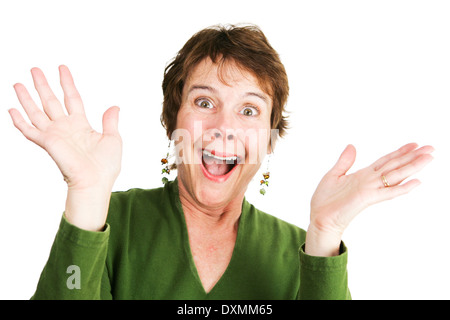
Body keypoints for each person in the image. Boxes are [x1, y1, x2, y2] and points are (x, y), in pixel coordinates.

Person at [8, 24, 434, 300]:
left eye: (249, 110)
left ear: (269, 140)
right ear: (173, 121)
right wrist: (85, 195)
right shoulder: (108, 219)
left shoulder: (299, 250)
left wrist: (325, 234)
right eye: (204, 101)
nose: (224, 126)